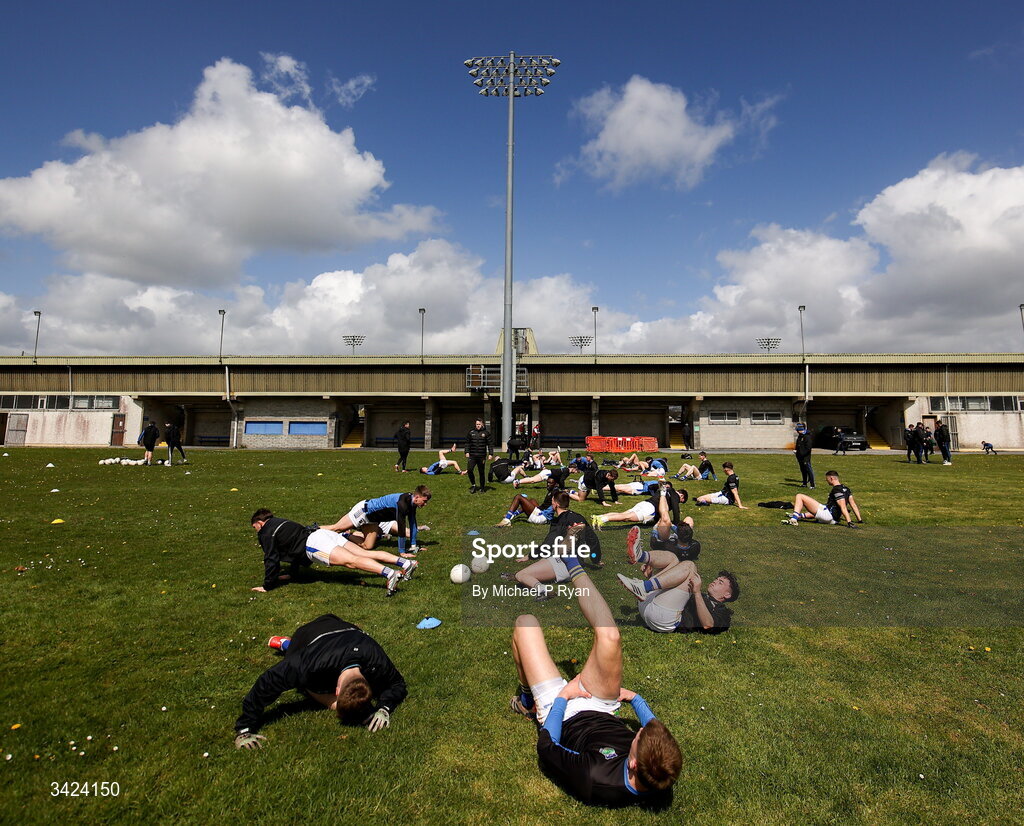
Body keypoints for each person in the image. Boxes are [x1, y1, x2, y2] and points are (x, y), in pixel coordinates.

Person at [509, 562, 682, 805]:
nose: (640, 728)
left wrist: (563, 697)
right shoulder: (660, 768)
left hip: (562, 714)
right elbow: (654, 729)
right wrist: (635, 699)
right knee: (610, 636)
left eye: (638, 736)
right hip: (602, 707)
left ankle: (528, 701)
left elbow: (547, 748)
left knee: (525, 623)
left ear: (632, 763)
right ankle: (572, 564)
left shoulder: (595, 778)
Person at [233, 614, 406, 749]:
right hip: (307, 636)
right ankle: (287, 645)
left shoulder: (375, 658)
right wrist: (244, 728)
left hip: (339, 627)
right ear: (336, 691)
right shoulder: (309, 665)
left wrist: (384, 707)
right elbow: (267, 682)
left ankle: (286, 644)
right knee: (305, 679)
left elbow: (398, 683)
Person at [250, 509, 414, 597]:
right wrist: (293, 575)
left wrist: (267, 586)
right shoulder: (282, 522)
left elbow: (271, 559)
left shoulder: (266, 532)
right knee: (364, 554)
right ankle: (405, 563)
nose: (256, 531)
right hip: (324, 535)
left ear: (259, 522)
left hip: (315, 544)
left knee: (351, 561)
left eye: (254, 527)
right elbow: (293, 551)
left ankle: (390, 574)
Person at [617, 549, 738, 634]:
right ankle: (640, 556)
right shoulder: (702, 595)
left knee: (690, 566)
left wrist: (696, 593)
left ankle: (645, 587)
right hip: (649, 606)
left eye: (720, 582)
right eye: (717, 579)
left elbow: (708, 624)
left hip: (663, 620)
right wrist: (651, 576)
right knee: (673, 558)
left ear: (727, 594)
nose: (715, 581)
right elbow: (673, 596)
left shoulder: (722, 612)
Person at [320, 488, 431, 555]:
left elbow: (412, 524)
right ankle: (311, 530)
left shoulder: (412, 503)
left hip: (373, 520)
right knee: (336, 528)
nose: (425, 504)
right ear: (417, 497)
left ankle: (345, 536)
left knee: (368, 546)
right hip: (364, 511)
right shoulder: (402, 504)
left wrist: (413, 546)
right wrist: (402, 552)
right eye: (424, 501)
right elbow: (401, 528)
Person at [591, 481, 687, 531]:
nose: (680, 502)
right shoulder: (674, 494)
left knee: (623, 514)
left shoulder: (664, 490)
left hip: (644, 503)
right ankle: (603, 520)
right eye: (682, 501)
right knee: (626, 517)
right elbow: (675, 509)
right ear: (682, 496)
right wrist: (677, 523)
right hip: (649, 509)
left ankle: (599, 517)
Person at [784, 470, 863, 527]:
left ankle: (794, 519)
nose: (826, 481)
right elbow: (853, 505)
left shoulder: (836, 490)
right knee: (822, 507)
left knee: (799, 496)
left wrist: (849, 522)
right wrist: (860, 520)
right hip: (834, 519)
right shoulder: (846, 489)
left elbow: (843, 506)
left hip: (828, 516)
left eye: (827, 479)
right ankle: (799, 515)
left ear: (831, 478)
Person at [496, 476, 564, 527]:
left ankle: (507, 520)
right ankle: (513, 515)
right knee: (532, 500)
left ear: (556, 484)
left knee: (518, 497)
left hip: (541, 517)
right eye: (547, 482)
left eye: (550, 483)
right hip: (542, 512)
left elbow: (559, 505)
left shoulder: (555, 492)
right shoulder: (553, 490)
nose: (548, 484)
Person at [465, 418, 493, 494]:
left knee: (481, 472)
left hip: (481, 456)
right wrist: (466, 451)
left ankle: (482, 487)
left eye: (479, 424)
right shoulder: (471, 432)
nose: (478, 426)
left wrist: (491, 454)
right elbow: (467, 443)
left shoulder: (486, 433)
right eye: (477, 424)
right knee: (469, 470)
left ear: (482, 424)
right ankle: (473, 485)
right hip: (472, 456)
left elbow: (490, 444)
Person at [794, 422, 815, 489]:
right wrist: (796, 452)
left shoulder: (807, 437)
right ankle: (804, 483)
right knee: (803, 470)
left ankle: (812, 485)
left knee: (809, 470)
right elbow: (798, 445)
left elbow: (808, 448)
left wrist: (802, 453)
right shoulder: (800, 436)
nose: (797, 431)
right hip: (800, 457)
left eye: (798, 430)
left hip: (805, 457)